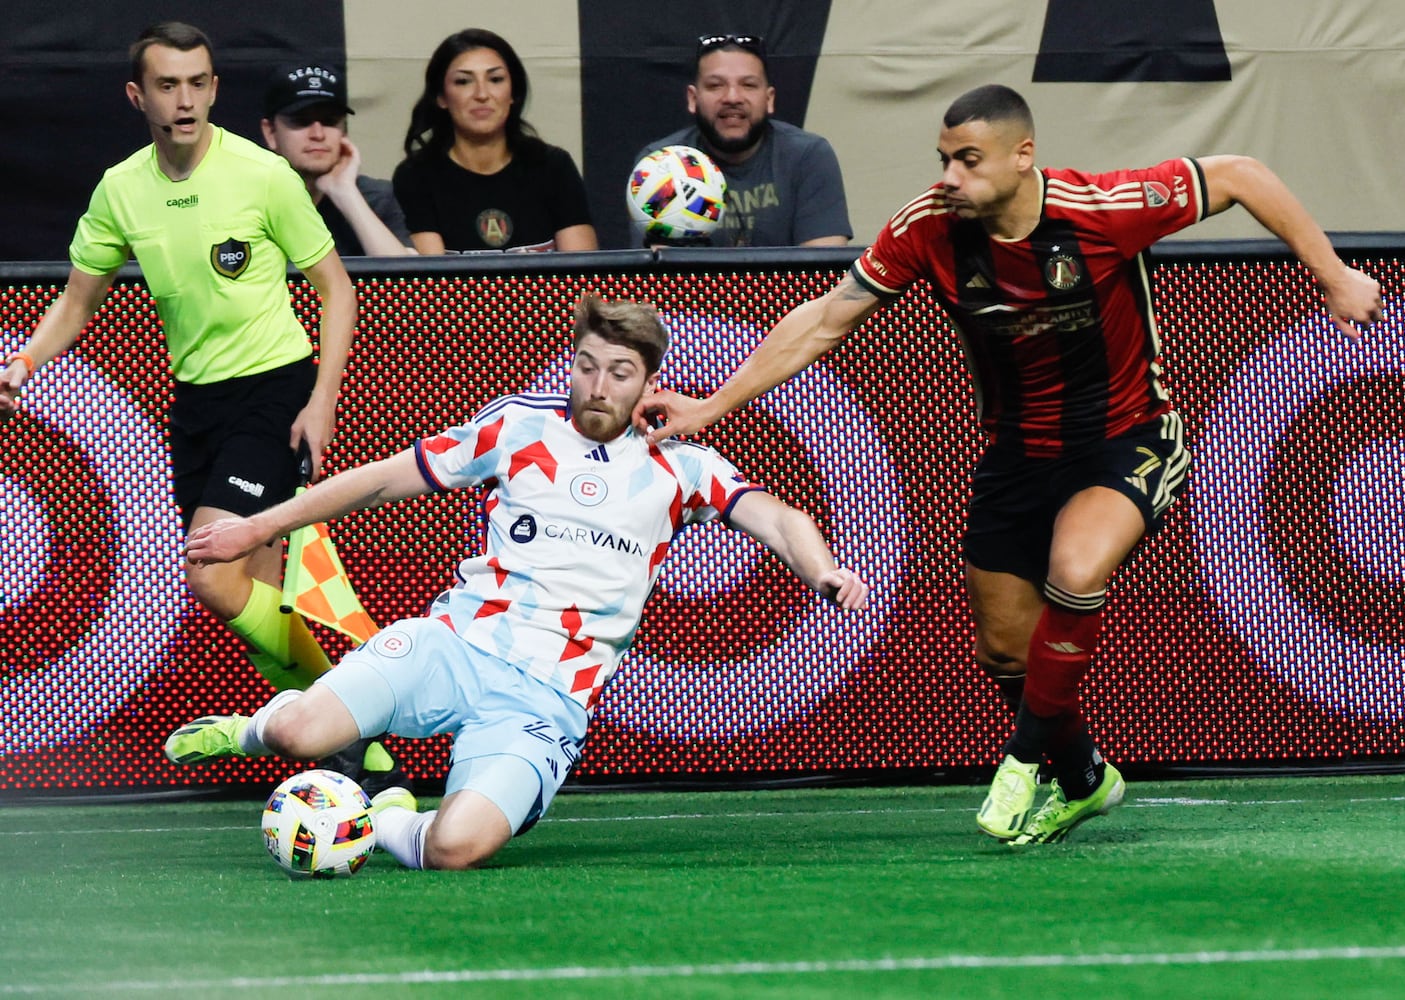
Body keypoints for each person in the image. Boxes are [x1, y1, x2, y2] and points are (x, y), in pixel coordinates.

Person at [635, 84, 1385, 845]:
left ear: (1023, 156)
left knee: (1077, 569)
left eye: (968, 160)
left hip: (1128, 439)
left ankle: (1023, 762)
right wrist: (710, 407)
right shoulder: (928, 228)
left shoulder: (1103, 207)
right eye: (943, 160)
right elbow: (828, 318)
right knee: (1003, 648)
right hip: (1017, 457)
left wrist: (1332, 274)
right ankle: (1086, 780)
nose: (949, 177)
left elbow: (1242, 173)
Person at [169, 294, 869, 871]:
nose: (597, 386)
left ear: (651, 382)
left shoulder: (685, 467)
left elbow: (779, 519)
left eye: (620, 373)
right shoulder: (517, 425)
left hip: (547, 698)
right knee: (300, 734)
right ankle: (254, 727)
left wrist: (825, 570)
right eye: (587, 365)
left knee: (452, 848)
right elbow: (380, 480)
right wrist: (259, 526)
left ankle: (383, 815)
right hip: (453, 645)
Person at [0, 22, 405, 794]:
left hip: (275, 389)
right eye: (166, 85)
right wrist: (22, 361)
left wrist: (321, 400)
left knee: (210, 574)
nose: (183, 100)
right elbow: (76, 301)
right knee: (254, 586)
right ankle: (344, 734)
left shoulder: (263, 175)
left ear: (215, 88)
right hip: (197, 405)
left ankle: (349, 723)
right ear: (137, 95)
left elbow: (337, 289)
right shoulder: (121, 189)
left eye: (197, 83)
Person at [631, 33, 852, 248]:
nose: (732, 98)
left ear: (769, 99)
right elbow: (659, 269)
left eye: (748, 85)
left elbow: (822, 270)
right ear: (693, 99)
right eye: (715, 85)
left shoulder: (808, 157)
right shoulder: (659, 165)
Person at [392, 28, 598, 254]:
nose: (482, 94)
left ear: (513, 93)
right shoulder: (416, 175)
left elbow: (583, 279)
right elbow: (431, 281)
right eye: (463, 81)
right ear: (441, 97)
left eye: (495, 79)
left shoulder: (553, 166)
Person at [260, 62, 414, 257]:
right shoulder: (244, 198)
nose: (317, 134)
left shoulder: (374, 198)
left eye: (330, 121)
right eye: (301, 121)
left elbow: (402, 281)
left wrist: (346, 193)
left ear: (344, 131)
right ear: (271, 133)